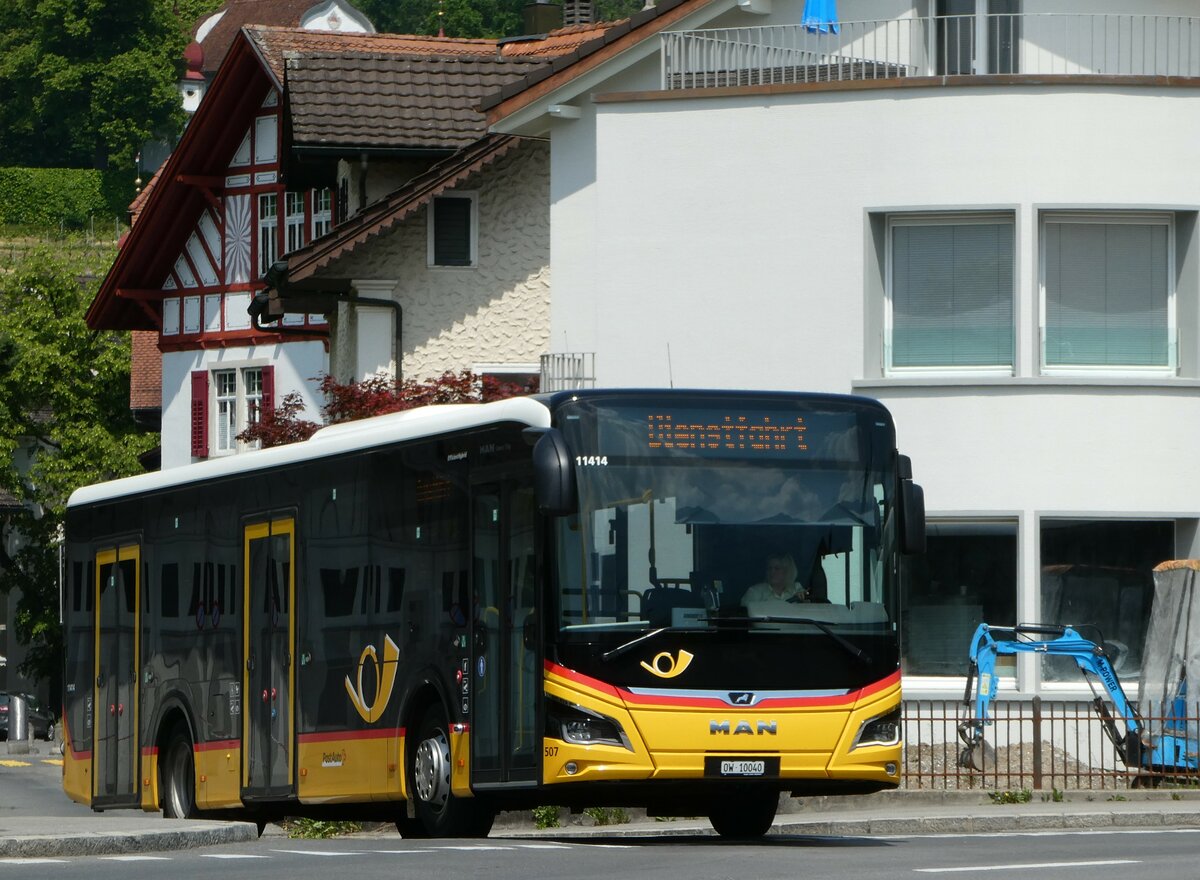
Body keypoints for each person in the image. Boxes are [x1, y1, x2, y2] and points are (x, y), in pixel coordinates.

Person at [743, 553, 807, 603]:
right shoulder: (754, 592)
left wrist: (803, 600)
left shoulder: (796, 589)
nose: (772, 572)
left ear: (787, 571)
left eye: (777, 568)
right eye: (769, 568)